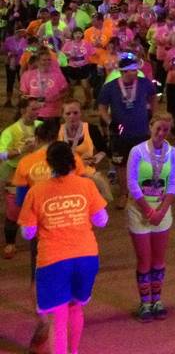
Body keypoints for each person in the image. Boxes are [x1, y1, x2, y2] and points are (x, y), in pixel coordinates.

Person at [18, 141, 108, 354]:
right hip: (86, 256)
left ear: (49, 163)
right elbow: (102, 220)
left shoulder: (37, 191)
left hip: (53, 260)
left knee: (57, 319)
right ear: (72, 160)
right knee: (76, 308)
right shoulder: (86, 185)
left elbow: (27, 232)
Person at [126, 114, 175, 322]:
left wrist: (162, 210)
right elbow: (131, 183)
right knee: (144, 259)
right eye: (158, 128)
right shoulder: (137, 151)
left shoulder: (173, 153)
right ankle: (144, 302)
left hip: (162, 211)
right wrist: (149, 211)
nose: (160, 133)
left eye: (165, 130)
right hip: (139, 210)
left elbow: (173, 183)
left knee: (158, 259)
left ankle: (157, 300)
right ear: (150, 126)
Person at [97, 52, 157, 209]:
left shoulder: (144, 83)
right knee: (121, 165)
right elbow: (102, 107)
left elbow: (153, 96)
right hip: (120, 133)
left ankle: (144, 193)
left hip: (142, 131)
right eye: (131, 70)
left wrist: (152, 114)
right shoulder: (110, 88)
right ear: (123, 72)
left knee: (144, 162)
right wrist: (110, 122)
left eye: (136, 69)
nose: (135, 72)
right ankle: (124, 193)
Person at [0, 97, 42, 258]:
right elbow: (1, 153)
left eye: (38, 110)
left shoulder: (41, 127)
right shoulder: (10, 131)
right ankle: (10, 243)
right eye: (33, 109)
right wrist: (20, 150)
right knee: (14, 210)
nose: (36, 113)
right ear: (23, 110)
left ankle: (39, 237)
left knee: (38, 206)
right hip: (14, 174)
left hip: (36, 173)